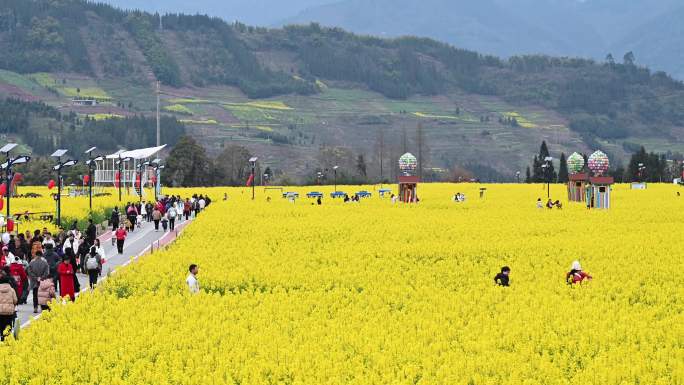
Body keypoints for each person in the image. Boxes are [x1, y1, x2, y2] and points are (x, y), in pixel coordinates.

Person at [0, 275, 17, 340]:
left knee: (1, 324)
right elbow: (15, 300)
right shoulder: (11, 290)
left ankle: (2, 336)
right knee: (8, 324)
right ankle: (7, 338)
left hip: (0, 311)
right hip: (9, 311)